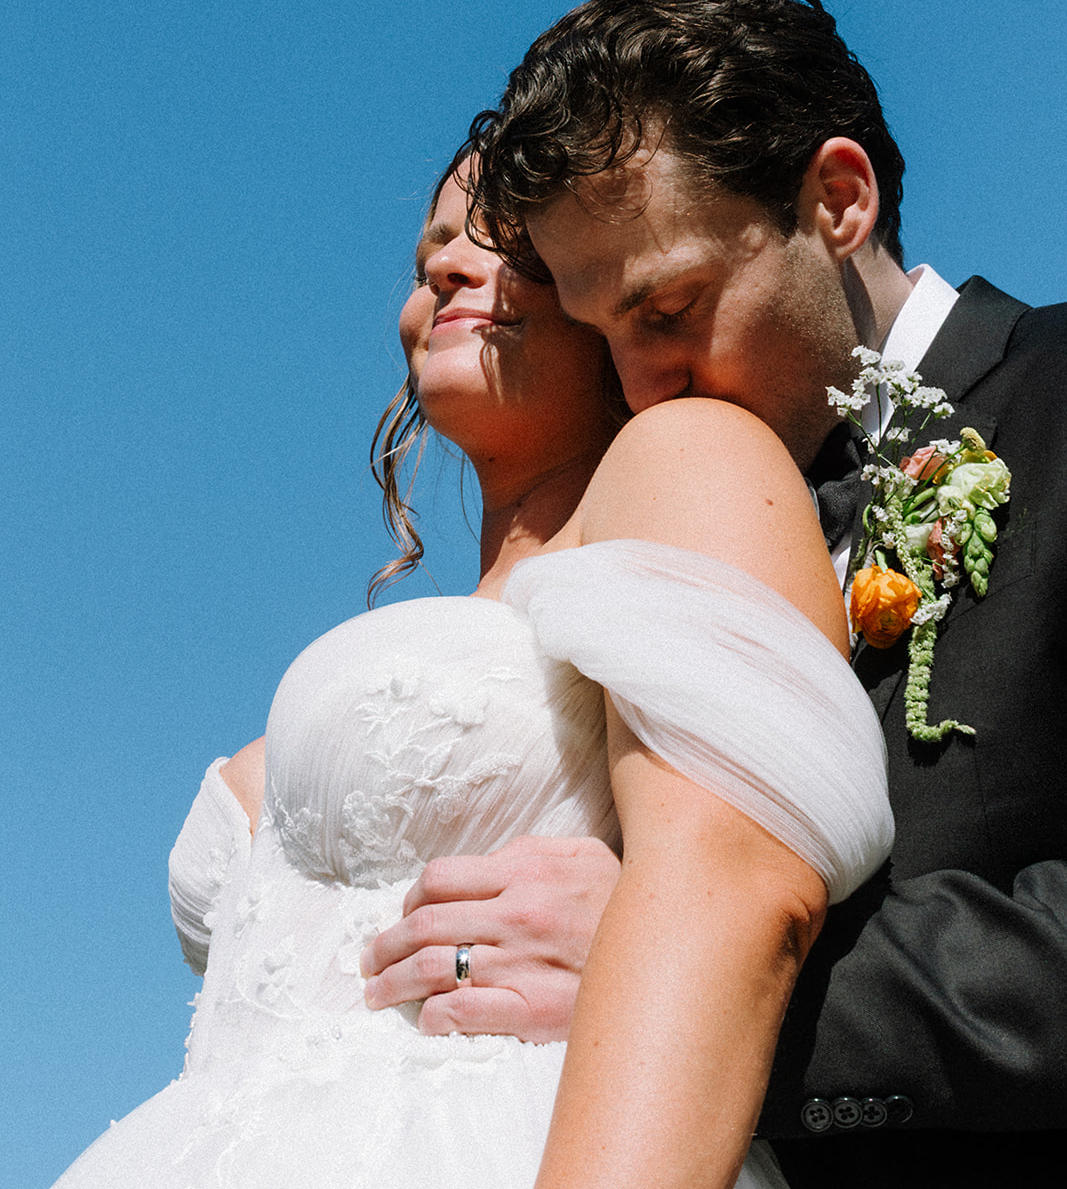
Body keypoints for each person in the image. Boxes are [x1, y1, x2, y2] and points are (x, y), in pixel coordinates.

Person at [52, 153, 892, 1189]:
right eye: (432, 252)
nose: (449, 267)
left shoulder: (689, 455)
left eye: (508, 244)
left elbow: (739, 885)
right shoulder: (443, 630)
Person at [359, 0, 1067, 1189]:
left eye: (668, 309)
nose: (643, 388)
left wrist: (685, 965)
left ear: (836, 200)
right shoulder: (663, 539)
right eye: (602, 337)